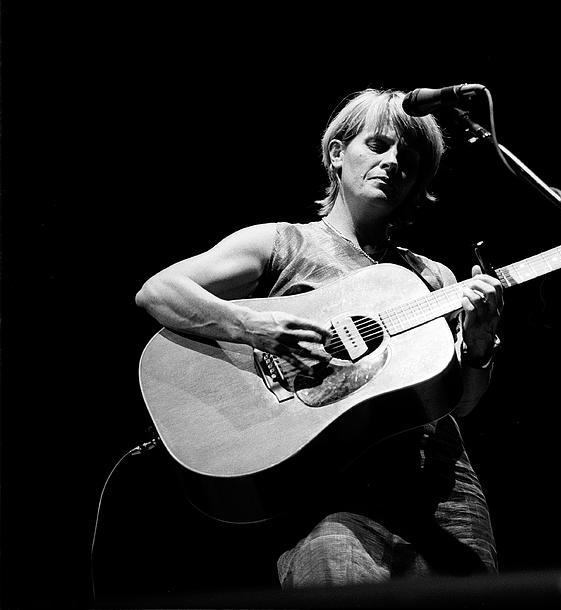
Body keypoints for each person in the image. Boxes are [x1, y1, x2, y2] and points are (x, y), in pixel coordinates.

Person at [135, 88, 504, 589]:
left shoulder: (434, 277)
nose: (394, 162)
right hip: (331, 487)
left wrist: (479, 345)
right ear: (337, 154)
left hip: (443, 493)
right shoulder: (283, 243)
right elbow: (159, 292)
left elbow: (460, 406)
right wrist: (251, 327)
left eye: (411, 159)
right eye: (377, 145)